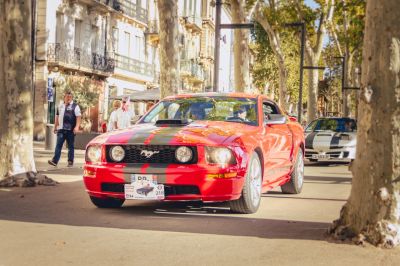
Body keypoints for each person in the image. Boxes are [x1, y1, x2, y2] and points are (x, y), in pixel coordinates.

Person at [48, 91, 81, 167]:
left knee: (70, 146)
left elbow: (78, 117)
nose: (69, 98)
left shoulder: (75, 106)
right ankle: (55, 161)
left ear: (72, 98)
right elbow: (57, 117)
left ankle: (70, 161)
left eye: (70, 97)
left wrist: (77, 127)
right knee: (58, 146)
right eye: (67, 97)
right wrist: (55, 127)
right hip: (61, 130)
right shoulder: (60, 106)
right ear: (64, 98)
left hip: (70, 130)